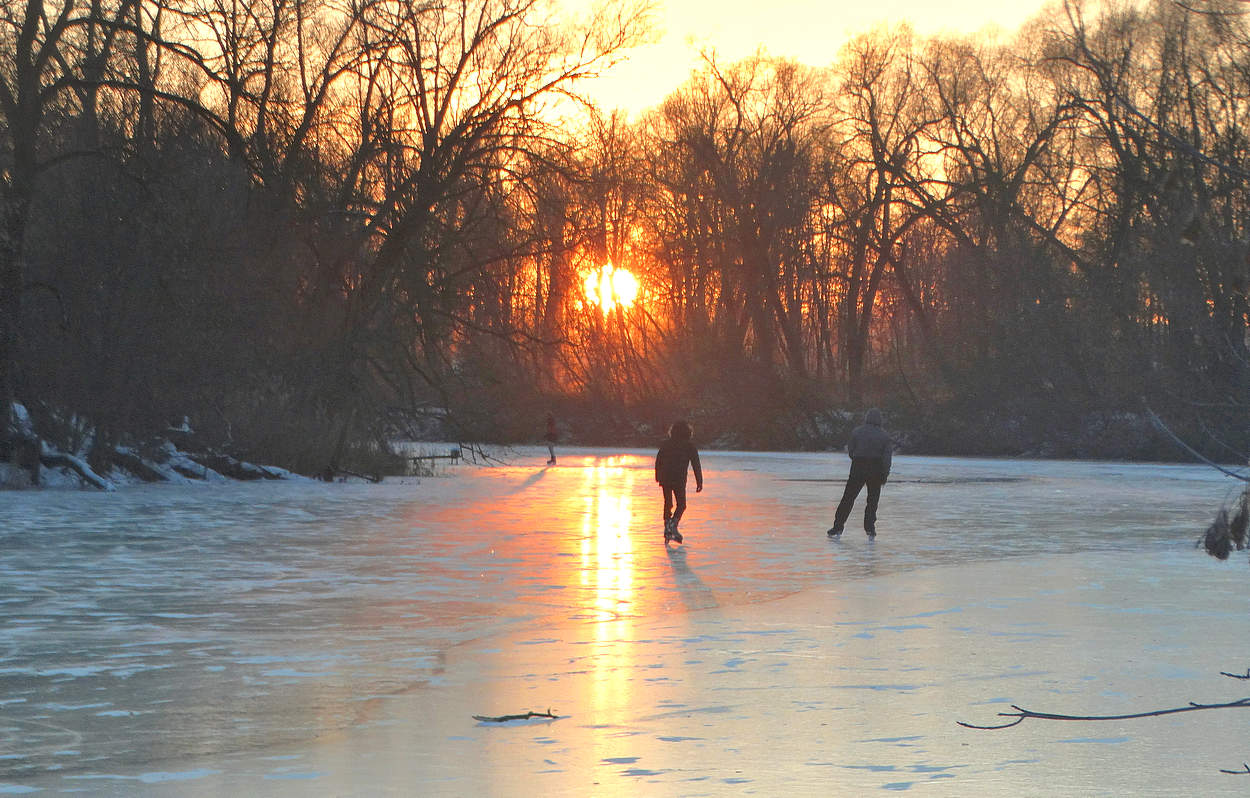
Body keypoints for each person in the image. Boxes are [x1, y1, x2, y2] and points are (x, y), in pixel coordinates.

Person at [828, 408, 893, 539]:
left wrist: (856, 458)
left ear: (867, 418)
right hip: (876, 468)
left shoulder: (857, 431)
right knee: (872, 500)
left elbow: (851, 449)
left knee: (848, 498)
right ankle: (870, 528)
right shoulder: (884, 436)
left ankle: (838, 526)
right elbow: (887, 458)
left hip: (858, 466)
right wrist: (885, 474)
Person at [655, 420, 703, 544]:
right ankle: (672, 526)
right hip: (679, 479)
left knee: (668, 503)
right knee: (681, 505)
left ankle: (668, 526)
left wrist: (658, 475)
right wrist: (699, 481)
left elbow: (658, 460)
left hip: (665, 478)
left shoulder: (666, 444)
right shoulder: (689, 446)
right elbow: (696, 464)